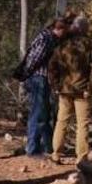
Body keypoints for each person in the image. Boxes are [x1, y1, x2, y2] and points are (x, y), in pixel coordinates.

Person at [15, 17, 68, 159]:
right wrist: (26, 75)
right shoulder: (46, 38)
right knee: (37, 114)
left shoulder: (50, 38)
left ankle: (47, 146)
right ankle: (32, 149)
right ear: (60, 28)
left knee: (44, 113)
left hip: (42, 79)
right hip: (38, 79)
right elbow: (34, 59)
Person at [50, 15, 92, 164]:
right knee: (82, 123)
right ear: (85, 29)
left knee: (61, 121)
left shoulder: (63, 45)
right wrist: (91, 88)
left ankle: (56, 153)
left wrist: (56, 85)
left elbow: (52, 66)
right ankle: (81, 156)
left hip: (65, 89)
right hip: (82, 90)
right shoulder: (91, 45)